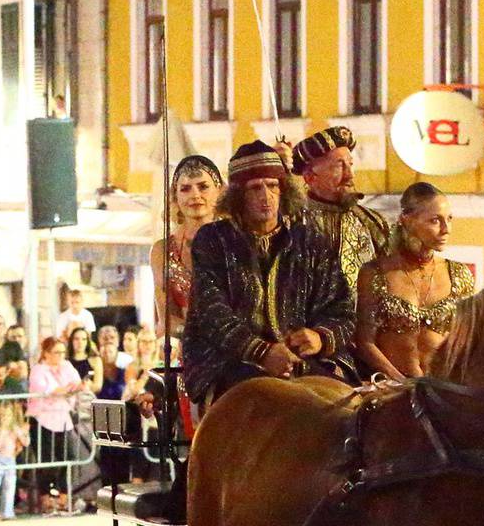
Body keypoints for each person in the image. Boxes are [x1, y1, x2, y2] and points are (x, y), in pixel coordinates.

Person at [185, 141, 358, 403]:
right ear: (238, 195)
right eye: (255, 188)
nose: (266, 196)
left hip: (305, 362)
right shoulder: (214, 240)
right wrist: (261, 352)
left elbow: (342, 308)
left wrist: (320, 337)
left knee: (349, 412)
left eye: (273, 185)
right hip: (230, 362)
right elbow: (212, 313)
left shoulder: (310, 241)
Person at [354, 182, 476, 380]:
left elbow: (469, 342)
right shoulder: (375, 273)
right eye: (435, 220)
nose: (446, 229)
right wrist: (403, 383)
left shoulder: (460, 275)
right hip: (390, 390)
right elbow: (365, 342)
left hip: (442, 392)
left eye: (449, 219)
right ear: (407, 220)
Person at [291, 125, 391, 290]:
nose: (350, 174)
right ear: (310, 177)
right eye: (339, 166)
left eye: (350, 164)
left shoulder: (373, 223)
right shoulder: (292, 224)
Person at [151, 154, 225, 349]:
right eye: (185, 189)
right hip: (192, 358)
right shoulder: (162, 251)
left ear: (220, 192)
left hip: (237, 356)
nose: (195, 195)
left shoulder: (236, 242)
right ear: (175, 196)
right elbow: (167, 321)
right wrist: (200, 335)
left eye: (203, 187)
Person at [26, 337, 85, 513]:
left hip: (63, 417)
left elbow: (77, 383)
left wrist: (71, 389)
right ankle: (45, 498)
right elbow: (46, 390)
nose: (60, 356)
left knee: (68, 457)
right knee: (47, 461)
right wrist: (64, 389)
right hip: (43, 419)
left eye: (62, 352)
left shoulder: (67, 366)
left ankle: (63, 497)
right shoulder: (38, 370)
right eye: (56, 352)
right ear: (46, 353)